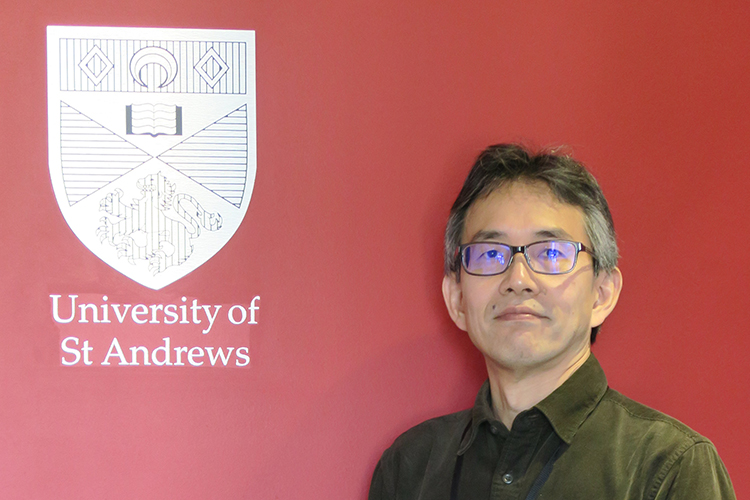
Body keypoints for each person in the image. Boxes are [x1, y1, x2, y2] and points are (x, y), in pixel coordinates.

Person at [368, 144, 736, 500]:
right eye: (491, 253)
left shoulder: (669, 467)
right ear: (458, 299)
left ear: (602, 293)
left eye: (552, 253)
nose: (518, 279)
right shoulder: (410, 467)